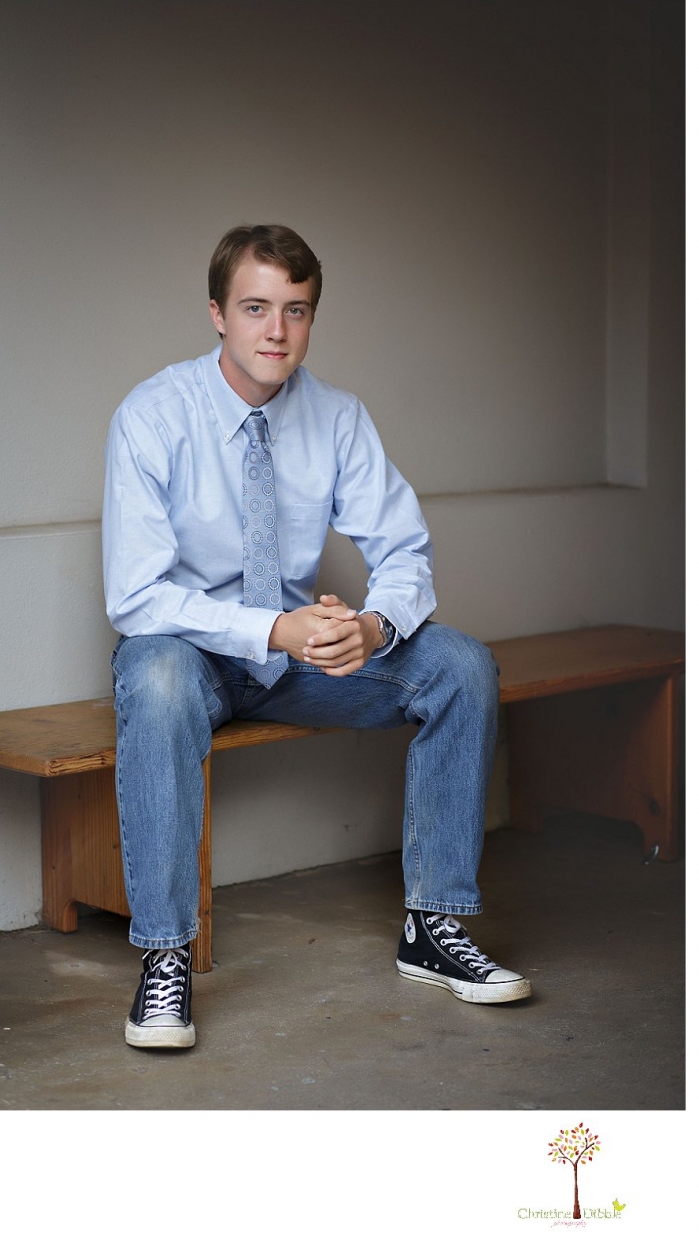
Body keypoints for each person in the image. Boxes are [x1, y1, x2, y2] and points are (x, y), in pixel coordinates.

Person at [102, 223, 532, 1050]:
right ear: (217, 314)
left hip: (297, 661)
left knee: (460, 664)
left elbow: (406, 551)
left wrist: (368, 627)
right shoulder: (153, 415)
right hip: (188, 654)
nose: (276, 331)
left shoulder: (337, 417)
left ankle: (433, 923)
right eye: (256, 307)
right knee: (155, 679)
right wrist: (275, 625)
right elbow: (136, 597)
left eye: (295, 311)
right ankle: (165, 958)